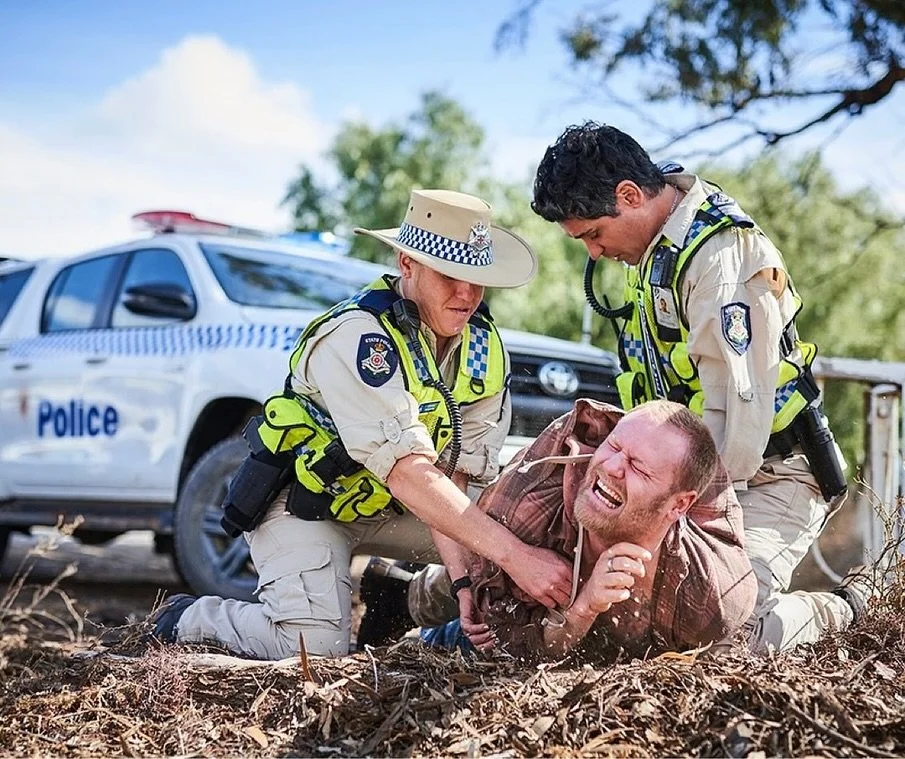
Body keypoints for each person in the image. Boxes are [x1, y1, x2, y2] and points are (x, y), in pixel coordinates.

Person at [149, 189, 574, 658]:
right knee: (315, 651)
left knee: (509, 533)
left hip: (396, 509)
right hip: (309, 505)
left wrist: (467, 582)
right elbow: (409, 471)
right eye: (451, 274)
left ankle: (399, 599)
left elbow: (455, 479)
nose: (467, 294)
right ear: (407, 263)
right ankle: (186, 619)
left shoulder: (482, 347)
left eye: (478, 279)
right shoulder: (358, 335)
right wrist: (513, 558)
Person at [528, 122, 872, 653]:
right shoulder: (657, 240)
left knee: (726, 632)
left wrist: (669, 523)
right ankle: (411, 596)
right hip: (680, 481)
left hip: (763, 477)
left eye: (594, 234)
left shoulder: (720, 257)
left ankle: (846, 607)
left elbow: (737, 422)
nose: (593, 254)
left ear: (629, 195)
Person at [411, 399, 758, 661]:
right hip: (503, 576)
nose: (612, 467)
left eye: (638, 467)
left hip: (700, 569)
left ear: (680, 506)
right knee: (469, 600)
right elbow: (514, 655)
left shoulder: (711, 593)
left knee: (765, 623)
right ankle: (403, 593)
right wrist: (583, 609)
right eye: (615, 447)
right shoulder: (526, 508)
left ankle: (814, 606)